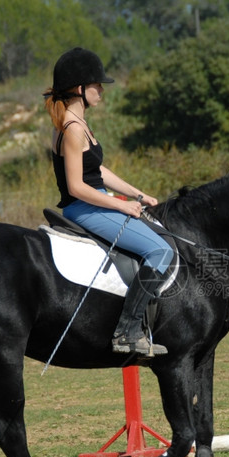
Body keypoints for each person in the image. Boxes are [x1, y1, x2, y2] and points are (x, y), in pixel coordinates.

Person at [44, 47, 173, 356]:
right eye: (96, 85)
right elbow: (77, 187)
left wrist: (136, 194)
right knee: (160, 250)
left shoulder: (79, 125)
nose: (101, 90)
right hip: (85, 208)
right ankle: (127, 332)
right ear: (79, 89)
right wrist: (122, 205)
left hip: (97, 201)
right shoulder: (72, 131)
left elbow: (97, 171)